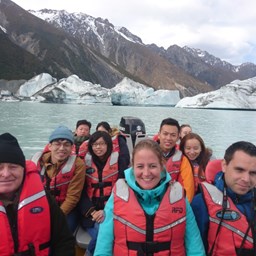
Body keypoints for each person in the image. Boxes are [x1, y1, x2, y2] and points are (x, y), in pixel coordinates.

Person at [94, 139, 205, 255]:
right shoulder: (118, 196)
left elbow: (195, 247)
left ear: (162, 166)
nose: (146, 173)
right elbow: (103, 247)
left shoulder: (178, 197)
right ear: (132, 167)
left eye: (152, 166)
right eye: (140, 166)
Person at [0, 133, 75, 255]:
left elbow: (64, 241)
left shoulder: (43, 198)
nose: (6, 173)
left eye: (13, 167)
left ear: (23, 170)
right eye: (0, 167)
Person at [191, 141, 256, 255]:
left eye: (253, 173)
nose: (246, 179)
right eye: (239, 170)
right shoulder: (201, 203)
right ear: (224, 166)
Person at [31, 125, 85, 233]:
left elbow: (72, 197)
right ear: (50, 146)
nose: (62, 148)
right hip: (42, 207)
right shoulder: (37, 161)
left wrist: (56, 217)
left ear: (72, 147)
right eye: (57, 144)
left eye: (66, 144)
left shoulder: (78, 164)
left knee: (61, 232)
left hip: (66, 209)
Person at [79, 131, 121, 256]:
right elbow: (80, 193)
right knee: (101, 234)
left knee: (110, 234)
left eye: (102, 144)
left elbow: (122, 190)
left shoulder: (118, 163)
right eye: (95, 144)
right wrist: (92, 212)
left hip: (112, 210)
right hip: (91, 214)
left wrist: (107, 211)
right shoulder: (84, 164)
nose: (98, 147)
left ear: (109, 145)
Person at [157, 118, 195, 202]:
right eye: (165, 134)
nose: (168, 138)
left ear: (178, 137)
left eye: (173, 135)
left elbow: (188, 189)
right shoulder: (146, 154)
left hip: (172, 204)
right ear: (159, 134)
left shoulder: (183, 160)